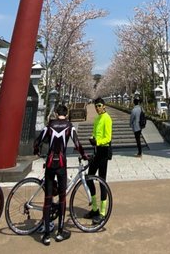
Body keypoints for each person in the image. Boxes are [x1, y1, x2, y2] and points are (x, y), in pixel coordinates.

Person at [34, 103, 87, 246]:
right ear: (67, 113)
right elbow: (77, 143)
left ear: (56, 113)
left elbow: (37, 141)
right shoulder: (69, 126)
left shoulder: (49, 125)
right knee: (63, 197)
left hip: (50, 164)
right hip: (62, 164)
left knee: (48, 198)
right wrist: (84, 155)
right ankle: (60, 232)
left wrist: (37, 151)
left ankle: (46, 234)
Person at [85, 97, 112, 224]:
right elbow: (94, 133)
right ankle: (94, 208)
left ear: (104, 106)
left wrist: (98, 141)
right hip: (96, 151)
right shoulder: (97, 119)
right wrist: (92, 138)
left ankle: (102, 212)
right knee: (89, 177)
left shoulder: (107, 118)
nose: (97, 108)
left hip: (104, 152)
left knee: (102, 181)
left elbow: (108, 137)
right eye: (96, 106)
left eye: (99, 105)